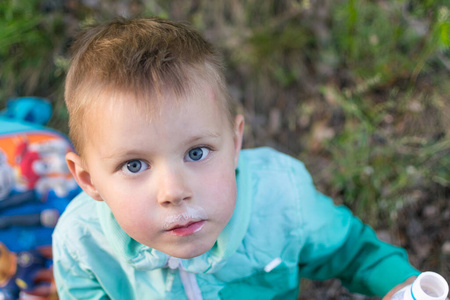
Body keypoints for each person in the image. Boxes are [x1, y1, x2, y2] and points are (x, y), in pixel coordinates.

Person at [53, 17, 421, 299]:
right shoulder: (83, 246)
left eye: (196, 153)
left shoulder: (282, 198)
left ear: (234, 141)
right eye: (134, 165)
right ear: (88, 180)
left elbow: (351, 250)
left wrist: (399, 283)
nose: (174, 191)